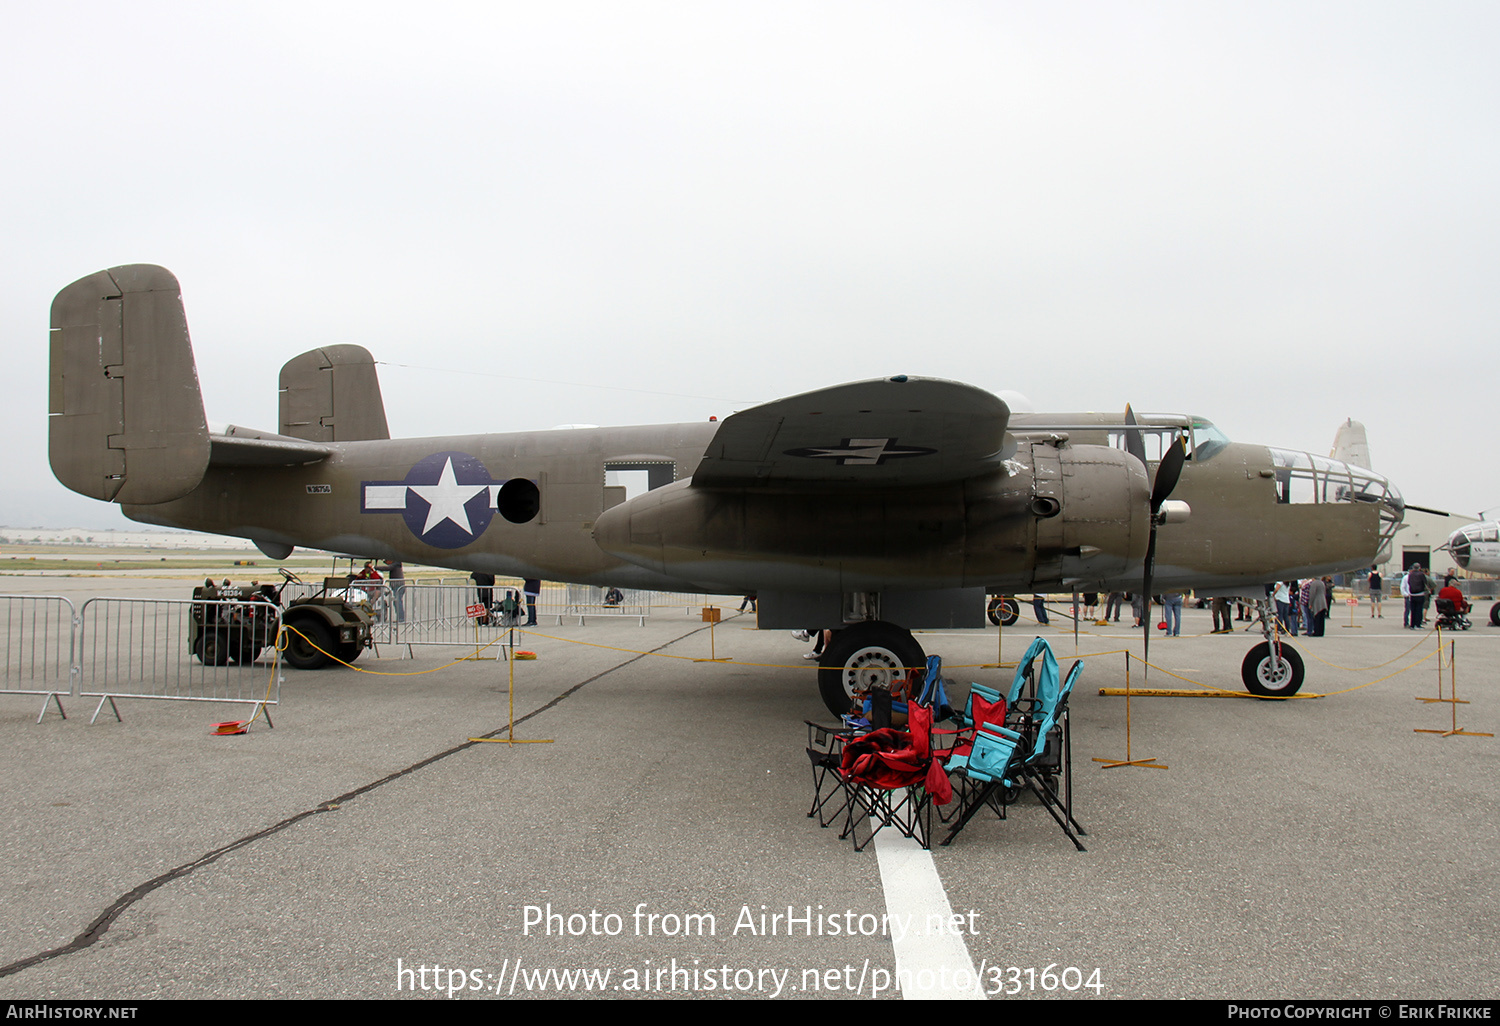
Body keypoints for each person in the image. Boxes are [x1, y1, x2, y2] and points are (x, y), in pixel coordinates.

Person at [1407, 564, 1430, 630]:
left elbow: (1409, 582)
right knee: (1419, 610)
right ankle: (1418, 624)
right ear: (1419, 568)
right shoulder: (1421, 574)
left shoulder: (1410, 574)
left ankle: (1412, 624)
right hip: (1420, 594)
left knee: (1413, 610)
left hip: (1412, 594)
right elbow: (1425, 582)